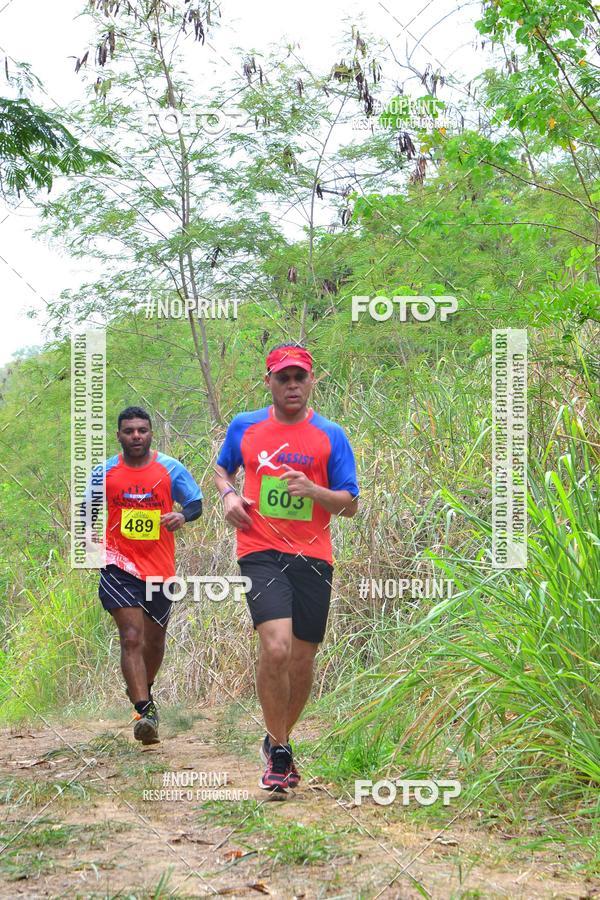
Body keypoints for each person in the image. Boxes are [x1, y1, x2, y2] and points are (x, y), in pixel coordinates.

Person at [214, 345, 359, 791]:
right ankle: (280, 752)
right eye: (283, 378)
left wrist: (314, 491)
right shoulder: (245, 426)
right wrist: (229, 496)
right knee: (276, 648)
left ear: (312, 381)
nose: (292, 385)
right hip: (259, 549)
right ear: (269, 382)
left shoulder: (331, 435)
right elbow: (221, 470)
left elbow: (350, 504)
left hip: (313, 556)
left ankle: (277, 737)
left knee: (301, 659)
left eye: (299, 377)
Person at [85, 406, 202, 744]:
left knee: (154, 641)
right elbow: (87, 512)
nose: (136, 436)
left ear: (150, 434)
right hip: (118, 566)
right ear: (118, 436)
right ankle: (143, 710)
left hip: (159, 568)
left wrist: (182, 516)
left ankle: (143, 690)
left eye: (142, 430)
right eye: (129, 431)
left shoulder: (170, 468)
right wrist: (90, 541)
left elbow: (195, 503)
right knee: (131, 637)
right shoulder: (104, 472)